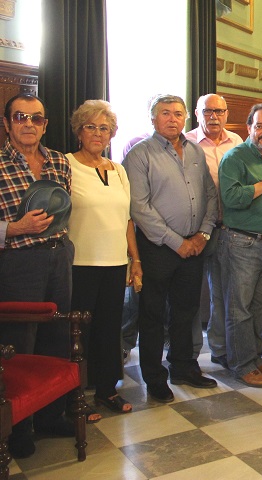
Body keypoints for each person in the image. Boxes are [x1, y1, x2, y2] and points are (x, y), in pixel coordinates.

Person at [123, 94, 219, 404]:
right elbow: (139, 208)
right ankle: (154, 378)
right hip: (158, 249)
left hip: (194, 246)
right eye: (165, 113)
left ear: (185, 118)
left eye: (178, 113)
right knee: (152, 316)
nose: (172, 119)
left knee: (185, 311)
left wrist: (203, 234)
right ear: (153, 119)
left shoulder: (193, 151)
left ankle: (183, 367)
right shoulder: (140, 155)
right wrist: (177, 243)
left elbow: (209, 195)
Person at [0, 93, 76, 458]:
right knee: (19, 344)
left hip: (59, 257)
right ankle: (17, 428)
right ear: (7, 123)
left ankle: (51, 416)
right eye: (20, 117)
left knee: (56, 337)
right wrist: (15, 228)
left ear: (45, 124)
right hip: (18, 262)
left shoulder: (59, 162)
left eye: (36, 118)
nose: (28, 124)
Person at [67, 100, 139, 421]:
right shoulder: (66, 165)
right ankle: (75, 396)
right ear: (79, 131)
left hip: (114, 263)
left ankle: (107, 389)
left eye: (105, 128)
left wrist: (134, 260)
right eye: (91, 127)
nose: (98, 133)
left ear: (112, 134)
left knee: (110, 330)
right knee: (79, 332)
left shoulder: (119, 170)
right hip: (79, 264)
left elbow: (127, 219)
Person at [218, 103, 262, 388]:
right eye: (259, 126)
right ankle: (241, 364)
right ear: (249, 128)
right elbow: (230, 198)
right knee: (239, 308)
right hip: (241, 242)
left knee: (259, 307)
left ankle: (255, 357)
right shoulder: (235, 157)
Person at [185, 93, 243, 366]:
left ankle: (220, 350)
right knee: (191, 294)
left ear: (227, 114)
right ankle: (190, 353)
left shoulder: (238, 142)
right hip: (195, 229)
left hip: (227, 227)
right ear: (197, 114)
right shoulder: (186, 143)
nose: (214, 116)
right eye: (208, 111)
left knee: (222, 293)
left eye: (219, 111)